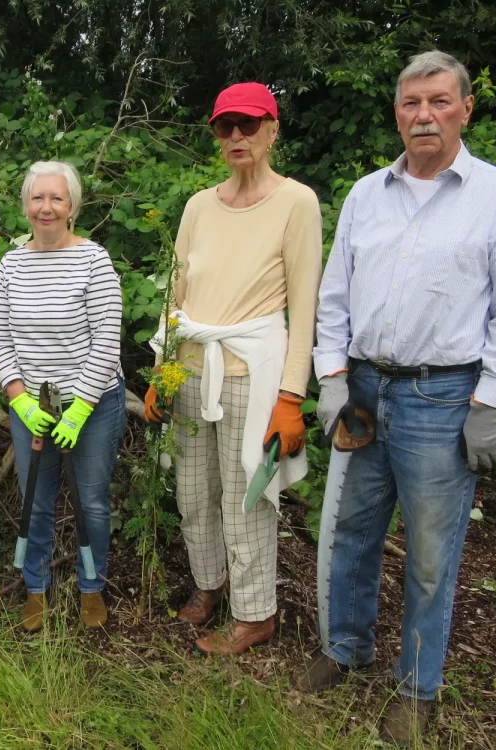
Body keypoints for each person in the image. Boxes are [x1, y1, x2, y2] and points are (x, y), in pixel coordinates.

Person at [294, 51, 496, 745]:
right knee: (352, 531)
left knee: (432, 554)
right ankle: (345, 648)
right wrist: (333, 378)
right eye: (411, 103)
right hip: (366, 389)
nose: (424, 115)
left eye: (438, 101)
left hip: (444, 398)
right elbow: (335, 295)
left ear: (465, 108)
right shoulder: (366, 195)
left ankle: (416, 687)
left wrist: (490, 402)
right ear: (397, 113)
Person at [143, 82, 322, 654]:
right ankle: (208, 585)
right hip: (192, 369)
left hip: (253, 371)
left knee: (245, 497)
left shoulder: (297, 202)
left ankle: (255, 613)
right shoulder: (199, 205)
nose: (238, 136)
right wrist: (161, 372)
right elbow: (177, 293)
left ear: (273, 128)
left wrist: (291, 398)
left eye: (249, 124)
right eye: (226, 126)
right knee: (193, 493)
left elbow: (304, 303)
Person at [0, 161, 124, 631]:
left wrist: (81, 408)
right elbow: (1, 337)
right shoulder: (11, 264)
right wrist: (19, 398)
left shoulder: (94, 260)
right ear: (25, 205)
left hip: (94, 405)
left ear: (72, 207)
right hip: (33, 404)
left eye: (57, 199)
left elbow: (108, 339)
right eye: (37, 198)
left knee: (90, 501)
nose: (46, 207)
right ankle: (35, 588)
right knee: (37, 500)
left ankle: (92, 588)